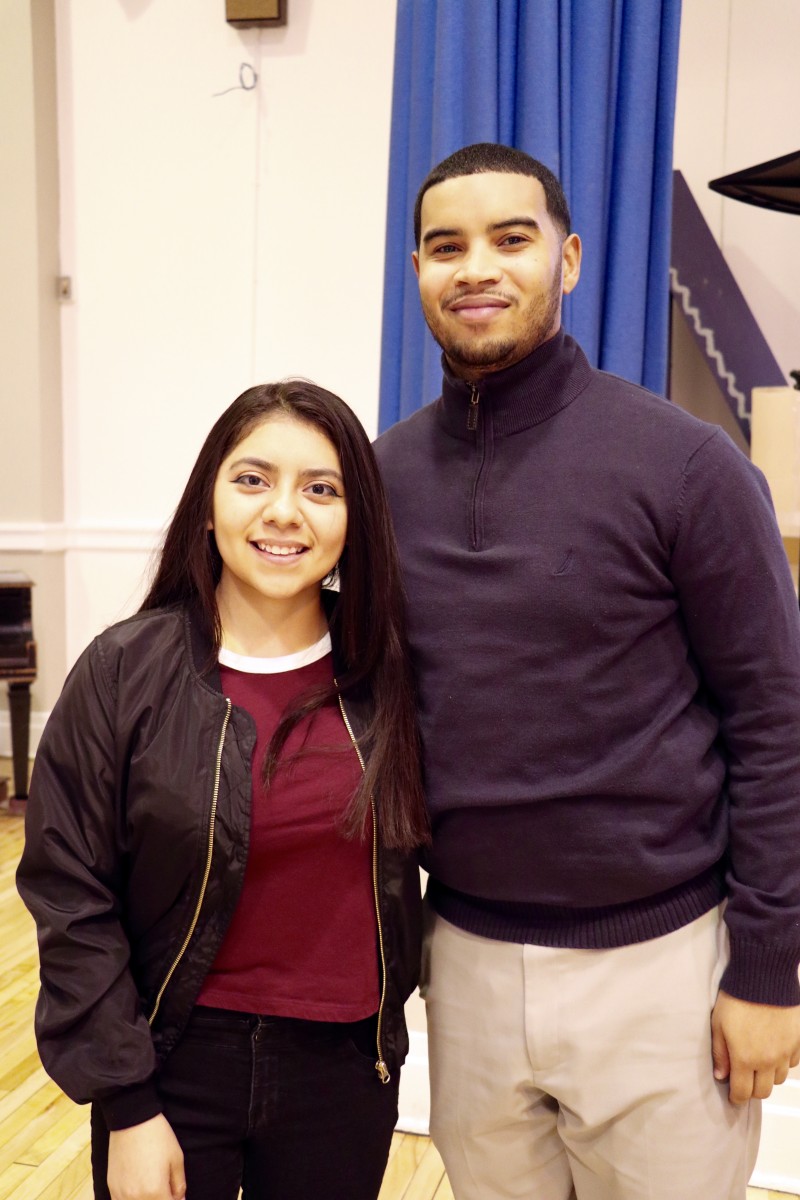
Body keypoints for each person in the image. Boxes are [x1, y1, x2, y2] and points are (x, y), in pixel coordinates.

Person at [374, 142, 800, 1200]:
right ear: (417, 273)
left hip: (660, 965)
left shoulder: (686, 466)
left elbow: (774, 724)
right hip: (463, 960)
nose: (476, 266)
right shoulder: (379, 480)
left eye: (509, 239)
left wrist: (765, 970)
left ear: (566, 260)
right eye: (445, 246)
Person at [17, 380, 429, 1200]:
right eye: (252, 480)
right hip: (173, 1064)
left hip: (343, 1071)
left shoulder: (393, 675)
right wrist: (128, 1106)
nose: (284, 511)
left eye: (321, 489)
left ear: (355, 522)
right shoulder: (122, 670)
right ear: (208, 505)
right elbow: (71, 895)